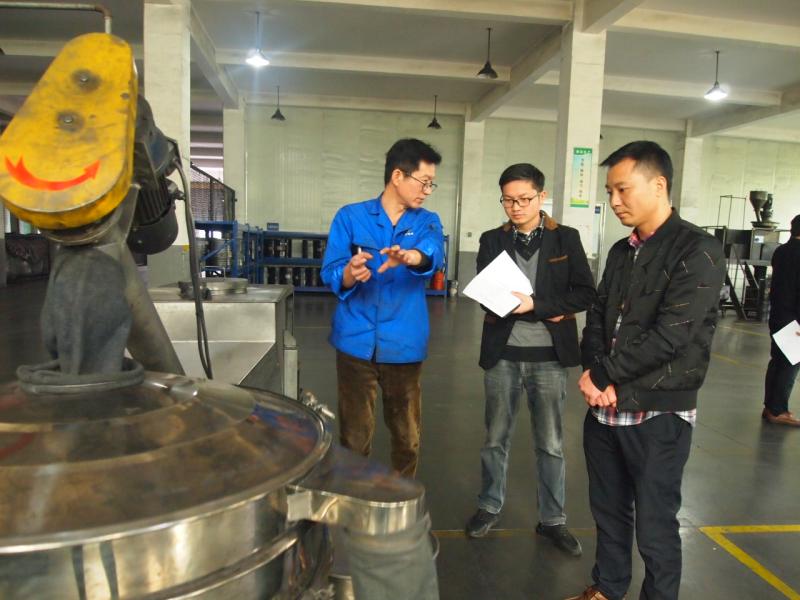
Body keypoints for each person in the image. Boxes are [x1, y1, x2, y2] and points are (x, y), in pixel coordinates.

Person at [568, 141, 725, 600]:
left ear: (659, 185)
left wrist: (605, 377)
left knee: (655, 525)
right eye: (609, 191)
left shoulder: (698, 250)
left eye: (623, 189)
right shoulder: (622, 251)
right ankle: (607, 588)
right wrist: (595, 373)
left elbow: (672, 336)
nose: (614, 201)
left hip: (658, 416)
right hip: (605, 411)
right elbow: (598, 317)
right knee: (609, 513)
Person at [464, 163, 596, 557]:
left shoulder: (566, 239)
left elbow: (585, 293)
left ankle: (553, 519)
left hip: (549, 359)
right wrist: (536, 308)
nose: (516, 207)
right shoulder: (492, 240)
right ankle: (489, 506)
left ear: (542, 196)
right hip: (503, 355)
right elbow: (486, 294)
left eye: (524, 199)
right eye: (508, 200)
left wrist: (536, 305)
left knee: (551, 443)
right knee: (494, 439)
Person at [321, 138, 445, 478]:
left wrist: (411, 256)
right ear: (397, 176)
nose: (428, 191)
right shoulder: (350, 217)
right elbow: (330, 270)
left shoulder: (427, 221)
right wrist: (350, 273)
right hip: (355, 342)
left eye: (432, 184)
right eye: (424, 182)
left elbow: (434, 252)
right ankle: (354, 499)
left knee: (407, 438)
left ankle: (400, 498)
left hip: (404, 344)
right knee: (354, 438)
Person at [762, 214, 800, 426]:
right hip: (794, 319)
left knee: (777, 361)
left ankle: (770, 406)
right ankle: (778, 411)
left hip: (778, 314)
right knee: (789, 364)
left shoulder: (781, 251)